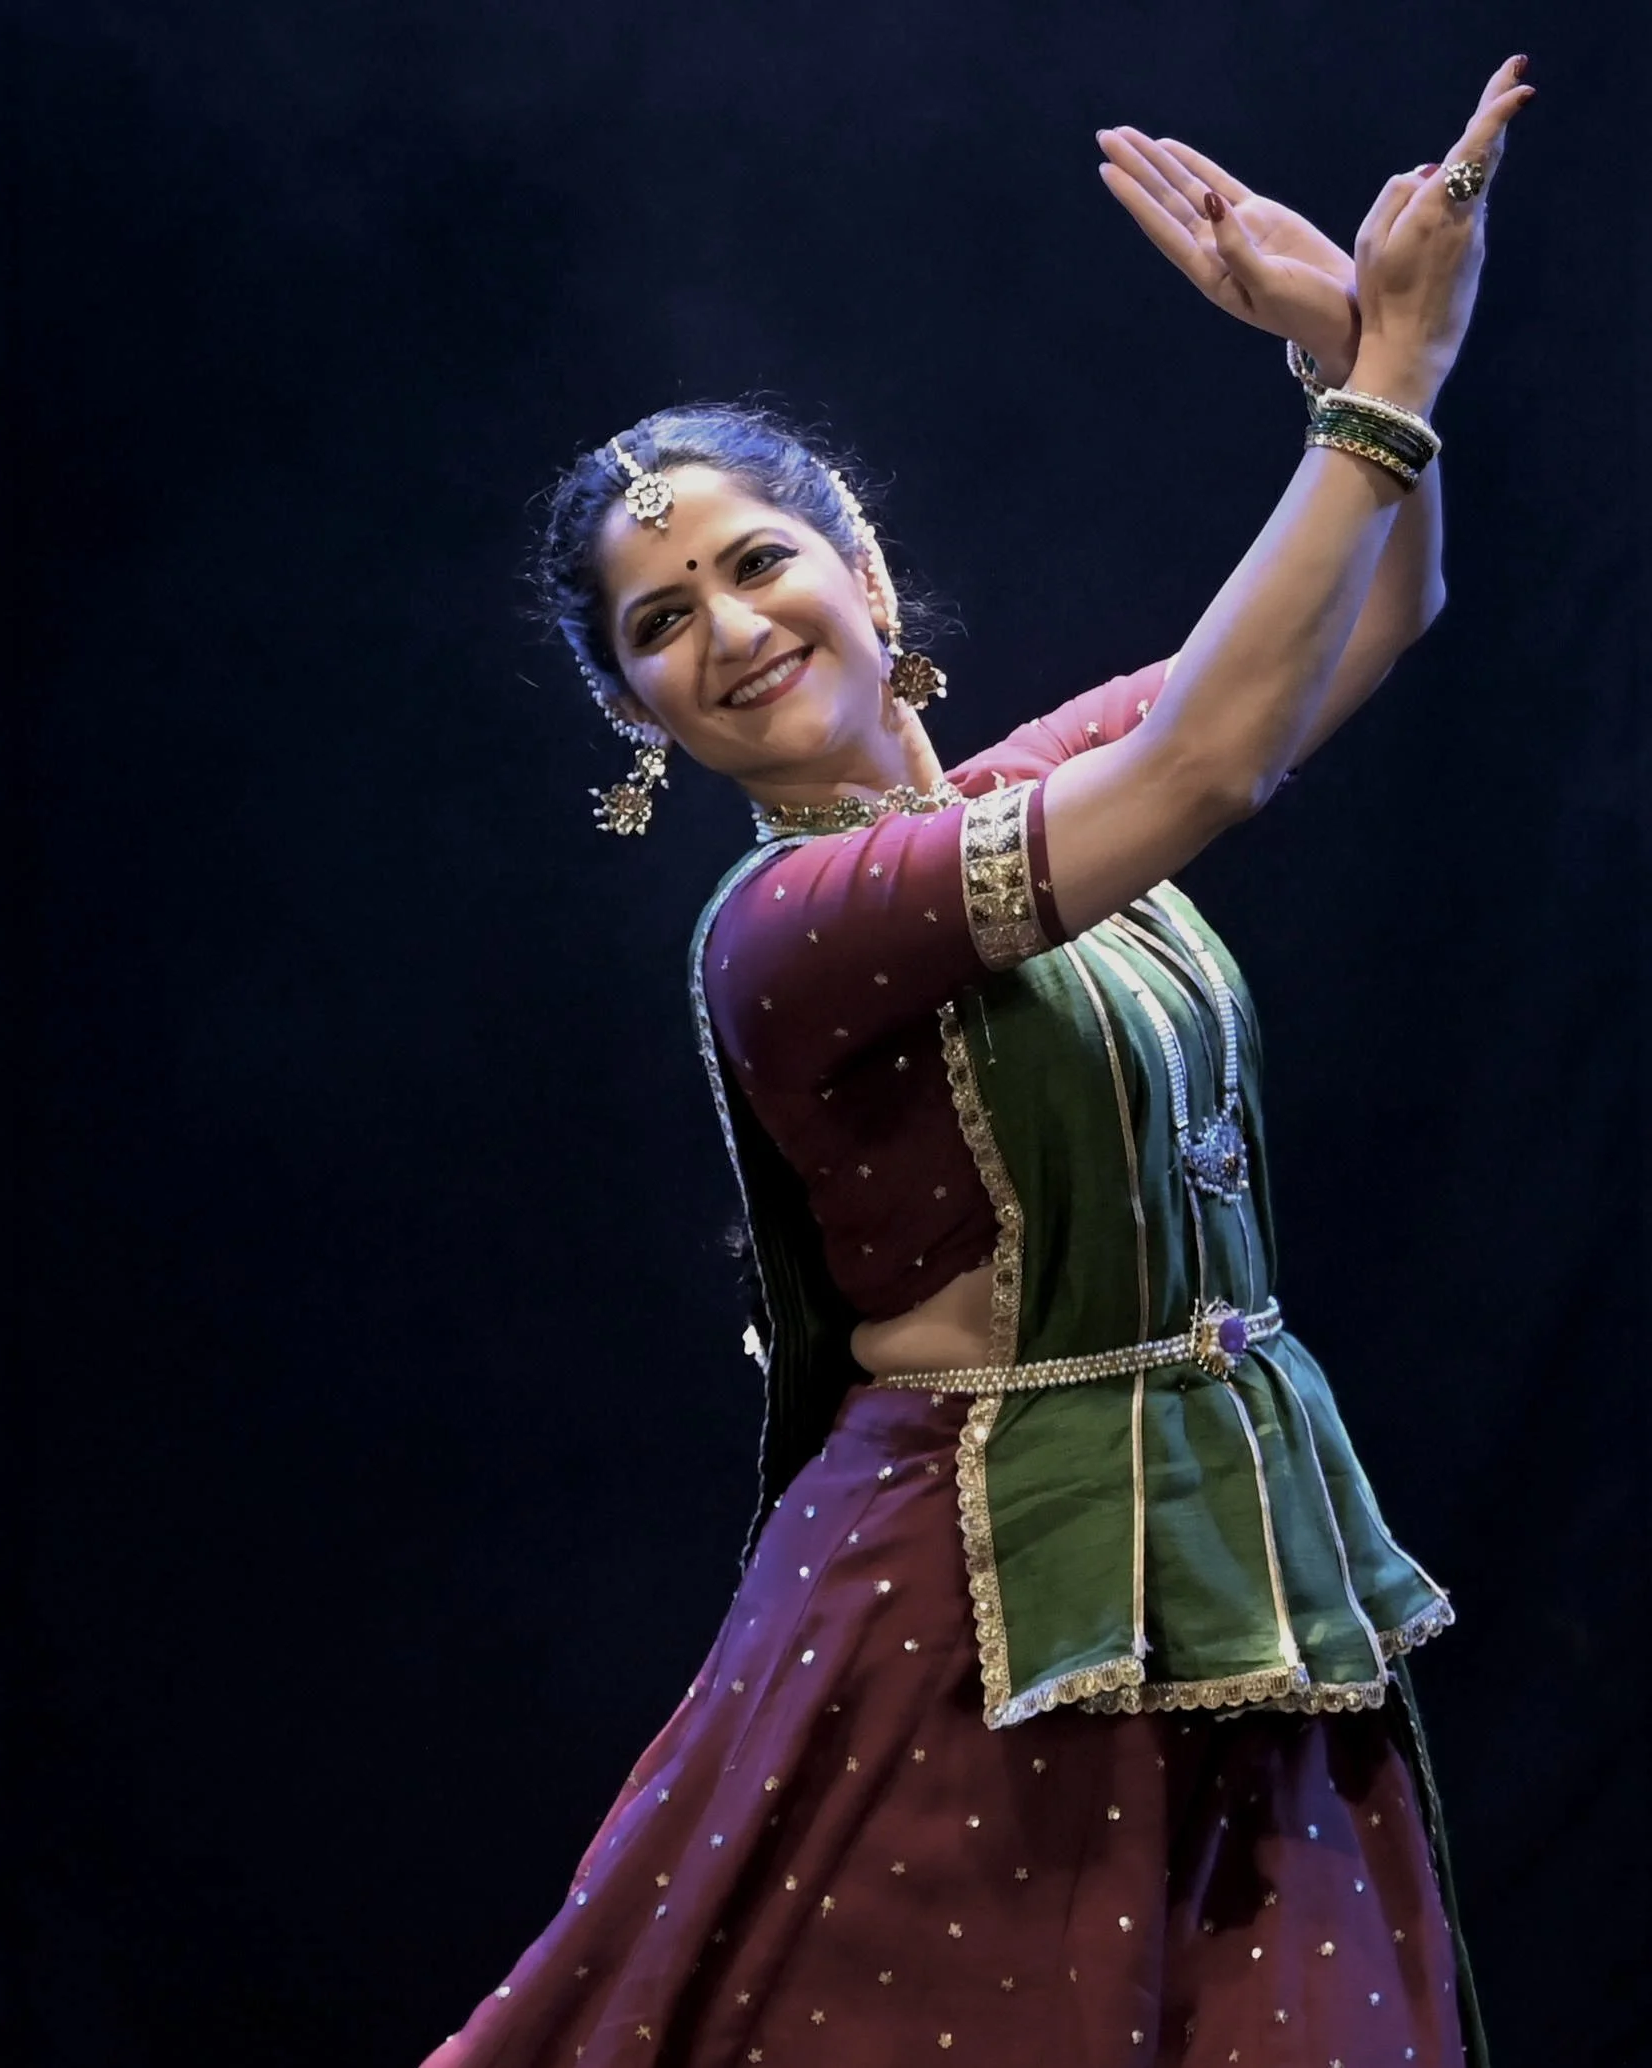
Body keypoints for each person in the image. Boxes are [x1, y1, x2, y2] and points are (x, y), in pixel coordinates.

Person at [423, 55, 1532, 2068]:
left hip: (1227, 1566)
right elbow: (1212, 752)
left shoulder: (1029, 786)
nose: (731, 626)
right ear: (639, 716)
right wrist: (1394, 366)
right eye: (659, 623)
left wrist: (1340, 362)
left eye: (757, 560)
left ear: (856, 554)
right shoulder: (789, 928)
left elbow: (1371, 624)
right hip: (967, 1618)